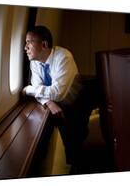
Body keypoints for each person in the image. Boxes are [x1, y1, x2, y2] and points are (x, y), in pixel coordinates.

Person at [22, 25, 85, 165]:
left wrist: (28, 89)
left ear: (44, 44)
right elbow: (41, 90)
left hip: (74, 103)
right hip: (55, 102)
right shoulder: (35, 62)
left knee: (73, 142)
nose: (25, 47)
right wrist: (48, 102)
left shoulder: (64, 57)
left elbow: (57, 93)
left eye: (29, 42)